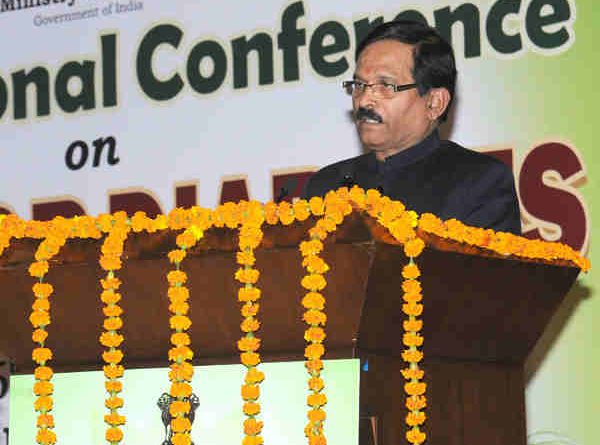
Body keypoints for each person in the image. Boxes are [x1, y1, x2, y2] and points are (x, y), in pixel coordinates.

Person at [303, 20, 521, 234]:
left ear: (435, 103)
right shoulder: (326, 186)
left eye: (385, 86)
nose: (363, 101)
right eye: (359, 85)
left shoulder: (479, 183)